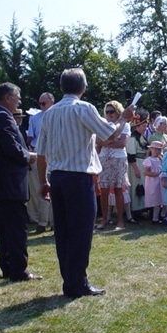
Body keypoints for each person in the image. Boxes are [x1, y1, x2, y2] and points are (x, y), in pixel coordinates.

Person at [37, 68, 135, 298]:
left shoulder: (50, 113)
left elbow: (40, 152)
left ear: (62, 88)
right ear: (83, 88)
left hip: (57, 177)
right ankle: (77, 283)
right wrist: (123, 118)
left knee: (63, 232)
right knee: (81, 232)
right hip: (78, 178)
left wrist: (43, 181)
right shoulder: (83, 108)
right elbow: (110, 134)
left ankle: (69, 281)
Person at [0, 83, 41, 282]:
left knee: (6, 230)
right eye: (17, 97)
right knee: (16, 228)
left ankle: (8, 266)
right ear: (8, 97)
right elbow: (11, 148)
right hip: (9, 184)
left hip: (1, 183)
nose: (19, 101)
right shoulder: (2, 117)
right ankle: (18, 269)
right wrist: (29, 157)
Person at [96, 101, 131, 230]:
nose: (109, 114)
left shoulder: (125, 125)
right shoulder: (103, 125)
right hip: (104, 158)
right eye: (107, 112)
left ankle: (120, 220)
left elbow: (122, 143)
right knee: (104, 190)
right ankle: (104, 219)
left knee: (118, 189)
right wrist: (111, 140)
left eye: (112, 111)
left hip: (118, 159)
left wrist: (106, 141)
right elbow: (97, 140)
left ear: (118, 112)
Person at [26, 93, 55, 234]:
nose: (41, 106)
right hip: (40, 154)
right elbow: (30, 137)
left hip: (55, 155)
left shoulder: (57, 115)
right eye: (40, 104)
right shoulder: (35, 118)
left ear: (52, 102)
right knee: (42, 188)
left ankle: (54, 221)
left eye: (44, 103)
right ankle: (42, 221)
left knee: (55, 188)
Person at [126, 110, 149, 221]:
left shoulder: (143, 138)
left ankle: (141, 208)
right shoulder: (132, 138)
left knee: (142, 186)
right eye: (144, 126)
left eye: (146, 126)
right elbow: (130, 156)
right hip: (136, 164)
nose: (145, 128)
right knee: (136, 187)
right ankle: (134, 210)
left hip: (142, 164)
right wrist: (136, 169)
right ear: (137, 126)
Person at [142, 140, 164, 224]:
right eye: (155, 149)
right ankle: (154, 218)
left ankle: (159, 216)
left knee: (159, 198)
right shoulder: (149, 160)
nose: (157, 151)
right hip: (152, 182)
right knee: (154, 198)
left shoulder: (160, 160)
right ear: (151, 149)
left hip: (159, 182)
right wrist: (157, 174)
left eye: (159, 149)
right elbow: (146, 172)